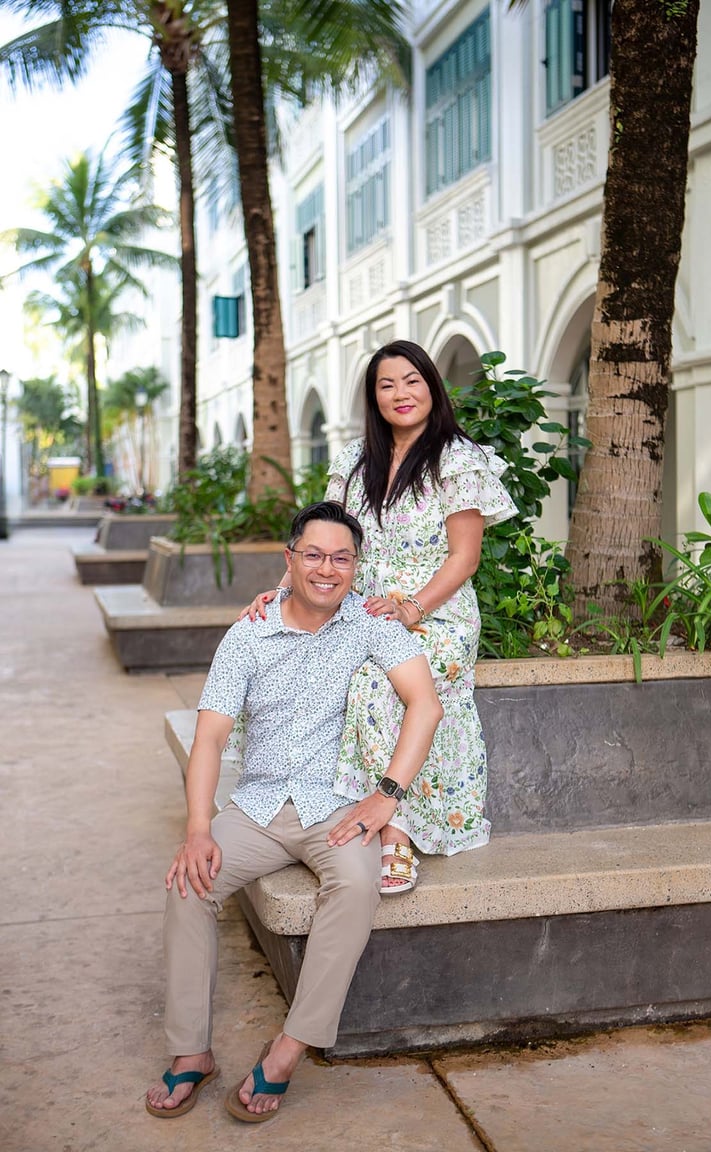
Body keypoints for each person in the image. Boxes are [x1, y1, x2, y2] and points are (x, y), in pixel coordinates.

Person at [146, 501, 442, 1121]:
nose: (327, 569)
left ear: (355, 566)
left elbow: (426, 704)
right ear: (290, 560)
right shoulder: (247, 635)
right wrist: (198, 829)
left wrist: (385, 796)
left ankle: (288, 1049)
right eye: (314, 555)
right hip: (256, 805)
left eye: (341, 557)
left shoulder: (370, 623)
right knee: (188, 883)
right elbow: (210, 738)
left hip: (336, 807)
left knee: (358, 882)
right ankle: (190, 1052)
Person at [242, 340, 515, 894]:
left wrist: (411, 608)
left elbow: (465, 557)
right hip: (359, 607)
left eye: (411, 380)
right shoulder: (352, 462)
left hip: (434, 615)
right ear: (374, 396)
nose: (400, 394)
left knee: (376, 680)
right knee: (287, 657)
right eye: (386, 384)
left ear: (431, 387)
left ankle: (394, 833)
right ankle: (299, 803)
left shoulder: (458, 458)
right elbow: (325, 542)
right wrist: (281, 592)